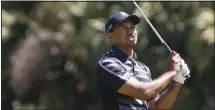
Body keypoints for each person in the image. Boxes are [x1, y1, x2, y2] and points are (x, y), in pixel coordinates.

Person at [96, 12, 190, 110]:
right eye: (124, 28)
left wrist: (177, 82)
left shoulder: (143, 69)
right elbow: (143, 92)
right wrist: (172, 72)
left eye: (132, 27)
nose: (130, 31)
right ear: (111, 36)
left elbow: (156, 107)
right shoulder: (107, 64)